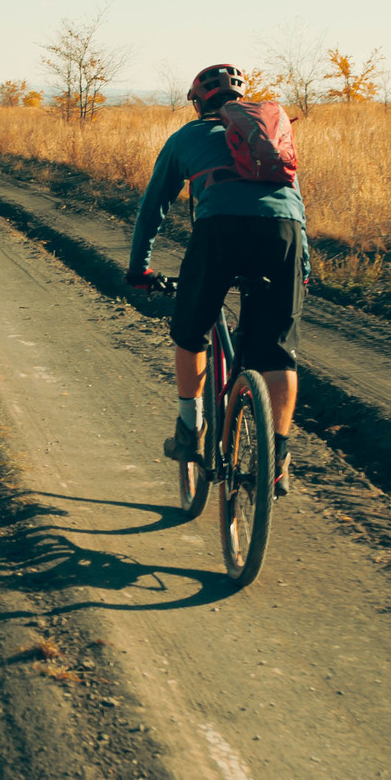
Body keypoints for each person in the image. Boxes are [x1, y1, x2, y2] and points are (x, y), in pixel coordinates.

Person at [126, 63, 306, 497]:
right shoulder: (271, 136)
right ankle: (276, 460)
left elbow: (154, 208)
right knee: (278, 352)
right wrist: (303, 269)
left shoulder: (186, 137)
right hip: (283, 235)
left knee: (190, 332)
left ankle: (190, 431)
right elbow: (293, 204)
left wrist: (140, 269)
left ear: (197, 102)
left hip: (220, 232)